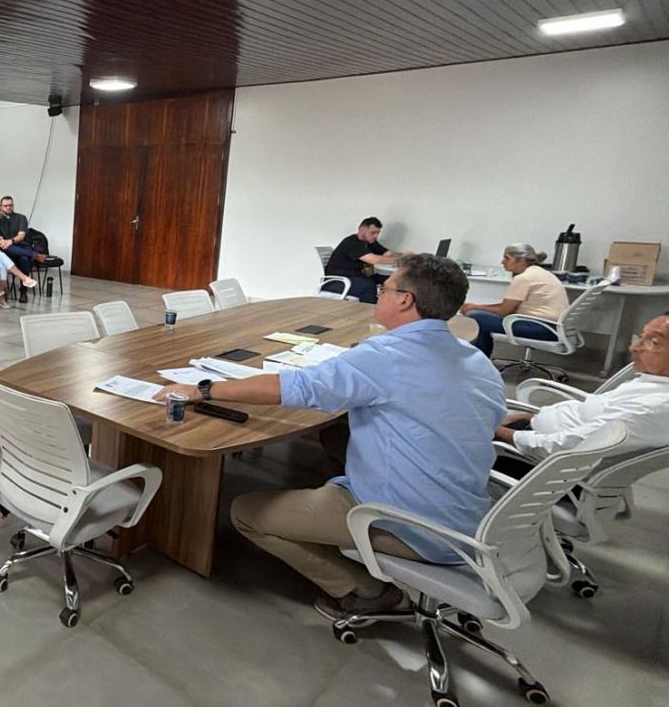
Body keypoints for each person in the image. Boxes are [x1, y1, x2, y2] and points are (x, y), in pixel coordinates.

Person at [155, 254, 504, 620]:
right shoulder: (476, 359)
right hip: (469, 514)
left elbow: (297, 387)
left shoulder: (386, 356)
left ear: (405, 300)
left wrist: (204, 390)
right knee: (338, 432)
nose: (379, 294)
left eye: (385, 288)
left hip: (410, 523)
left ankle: (370, 593)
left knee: (245, 513)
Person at [496, 313, 669, 463]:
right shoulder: (651, 384)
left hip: (539, 466)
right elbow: (591, 415)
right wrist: (529, 417)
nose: (634, 348)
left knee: (470, 421)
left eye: (653, 342)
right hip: (534, 433)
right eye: (640, 336)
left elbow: (559, 448)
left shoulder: (652, 407)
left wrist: (499, 432)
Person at [460, 243, 568, 358]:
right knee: (481, 316)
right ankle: (481, 359)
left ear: (521, 261)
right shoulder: (539, 272)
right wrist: (477, 306)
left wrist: (475, 307)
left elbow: (504, 310)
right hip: (554, 327)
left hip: (542, 328)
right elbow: (510, 307)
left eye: (507, 258)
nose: (502, 262)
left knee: (475, 316)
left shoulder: (524, 278)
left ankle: (479, 360)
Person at [324, 217, 408, 304]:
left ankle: (398, 310)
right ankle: (370, 315)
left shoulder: (370, 242)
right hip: (338, 282)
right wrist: (402, 260)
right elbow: (374, 259)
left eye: (377, 233)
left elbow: (388, 254)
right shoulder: (351, 242)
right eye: (373, 233)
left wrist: (407, 256)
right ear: (361, 230)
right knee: (368, 286)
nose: (376, 236)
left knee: (397, 279)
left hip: (358, 277)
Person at [0, 195, 36, 297]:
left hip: (22, 247)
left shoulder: (21, 218)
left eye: (10, 205)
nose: (8, 207)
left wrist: (11, 241)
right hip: (8, 251)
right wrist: (3, 242)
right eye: (6, 206)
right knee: (7, 248)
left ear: (13, 205)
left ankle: (23, 291)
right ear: (1, 207)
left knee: (24, 258)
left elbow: (21, 236)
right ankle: (35, 255)